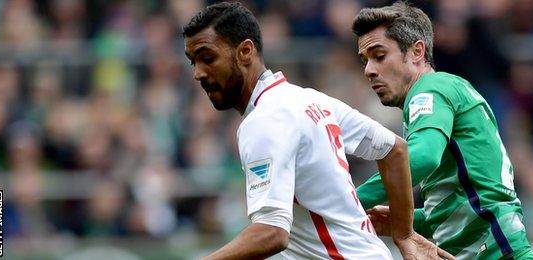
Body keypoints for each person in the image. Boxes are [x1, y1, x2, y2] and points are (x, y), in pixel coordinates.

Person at [182, 2, 453, 259]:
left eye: (208, 58)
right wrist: (404, 235)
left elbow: (272, 233)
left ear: (245, 51)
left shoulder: (263, 121)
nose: (198, 73)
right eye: (193, 61)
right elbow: (394, 149)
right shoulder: (308, 99)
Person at [352, 2, 533, 259]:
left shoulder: (430, 90)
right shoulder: (443, 92)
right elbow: (464, 204)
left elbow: (422, 157)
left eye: (379, 55)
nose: (369, 70)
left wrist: (349, 198)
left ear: (417, 51)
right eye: (365, 60)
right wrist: (403, 219)